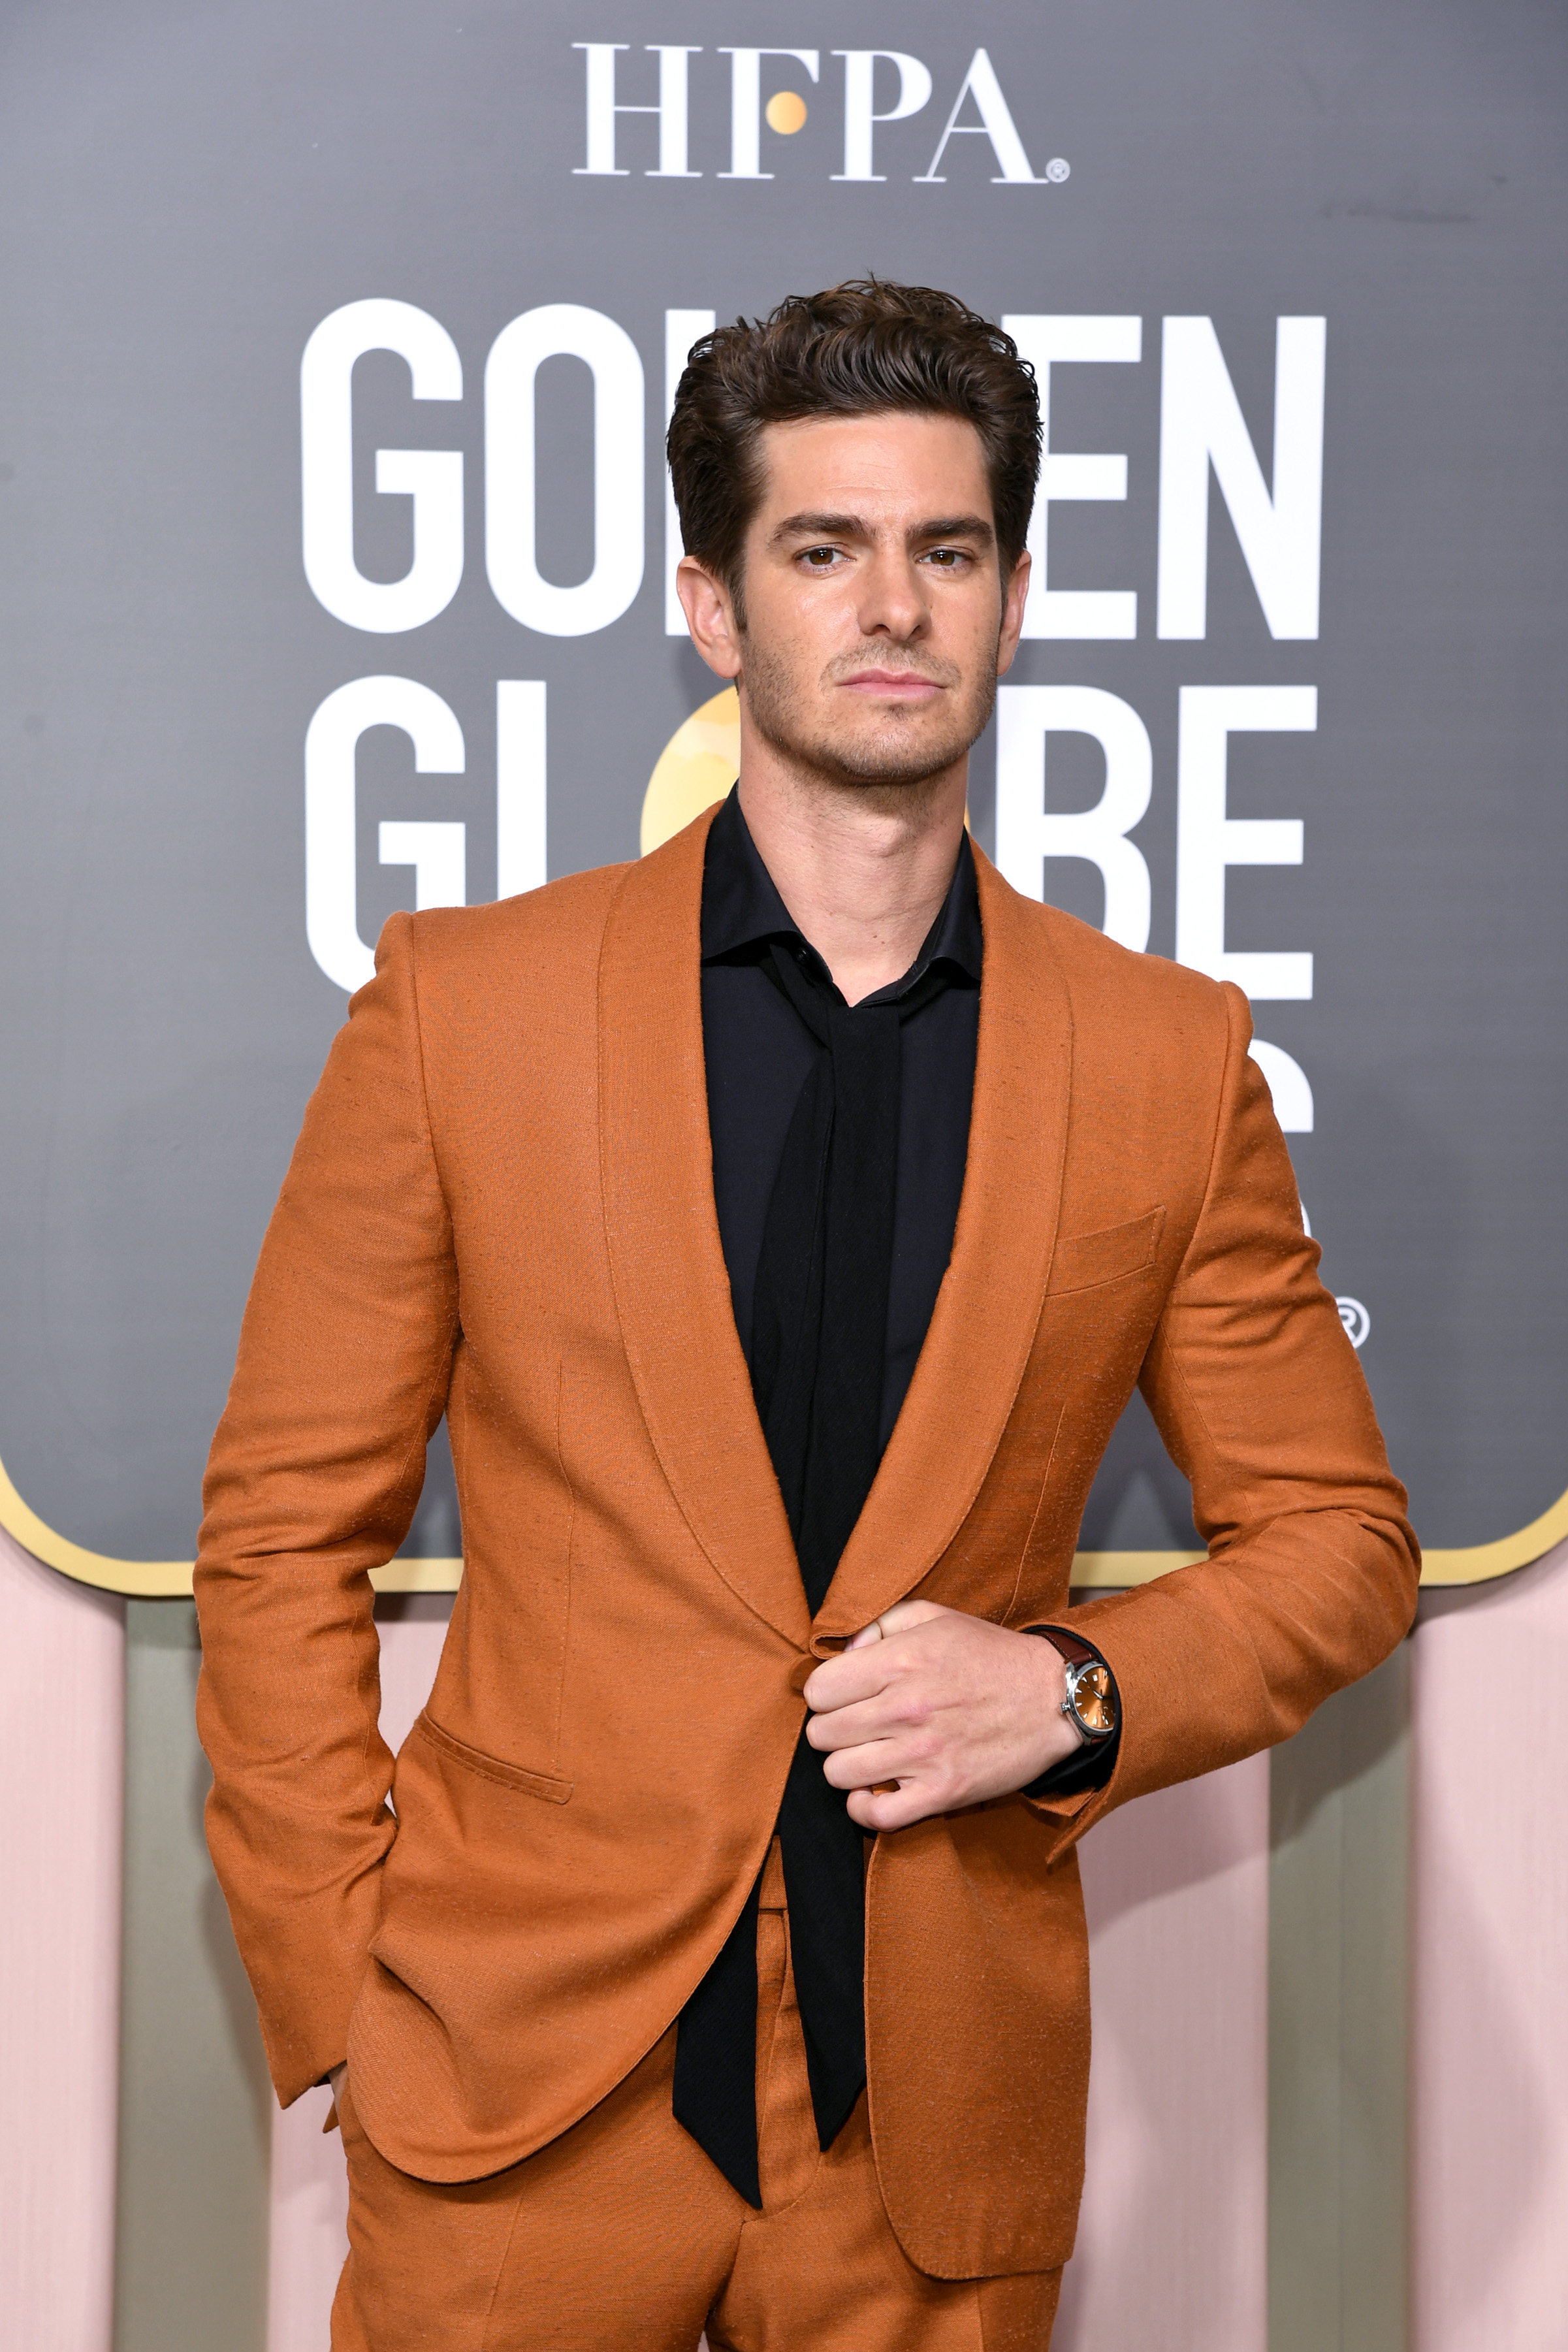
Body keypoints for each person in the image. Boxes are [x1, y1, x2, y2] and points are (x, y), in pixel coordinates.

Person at [194, 280, 1418, 2352]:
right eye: (821, 548)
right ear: (710, 597)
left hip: (930, 2117)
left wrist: (1073, 1690)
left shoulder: (1161, 1055)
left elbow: (1339, 1542)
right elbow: (278, 1524)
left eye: (946, 550)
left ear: (1013, 598)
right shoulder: (462, 1008)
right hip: (515, 2084)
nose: (892, 605)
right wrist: (348, 1977)